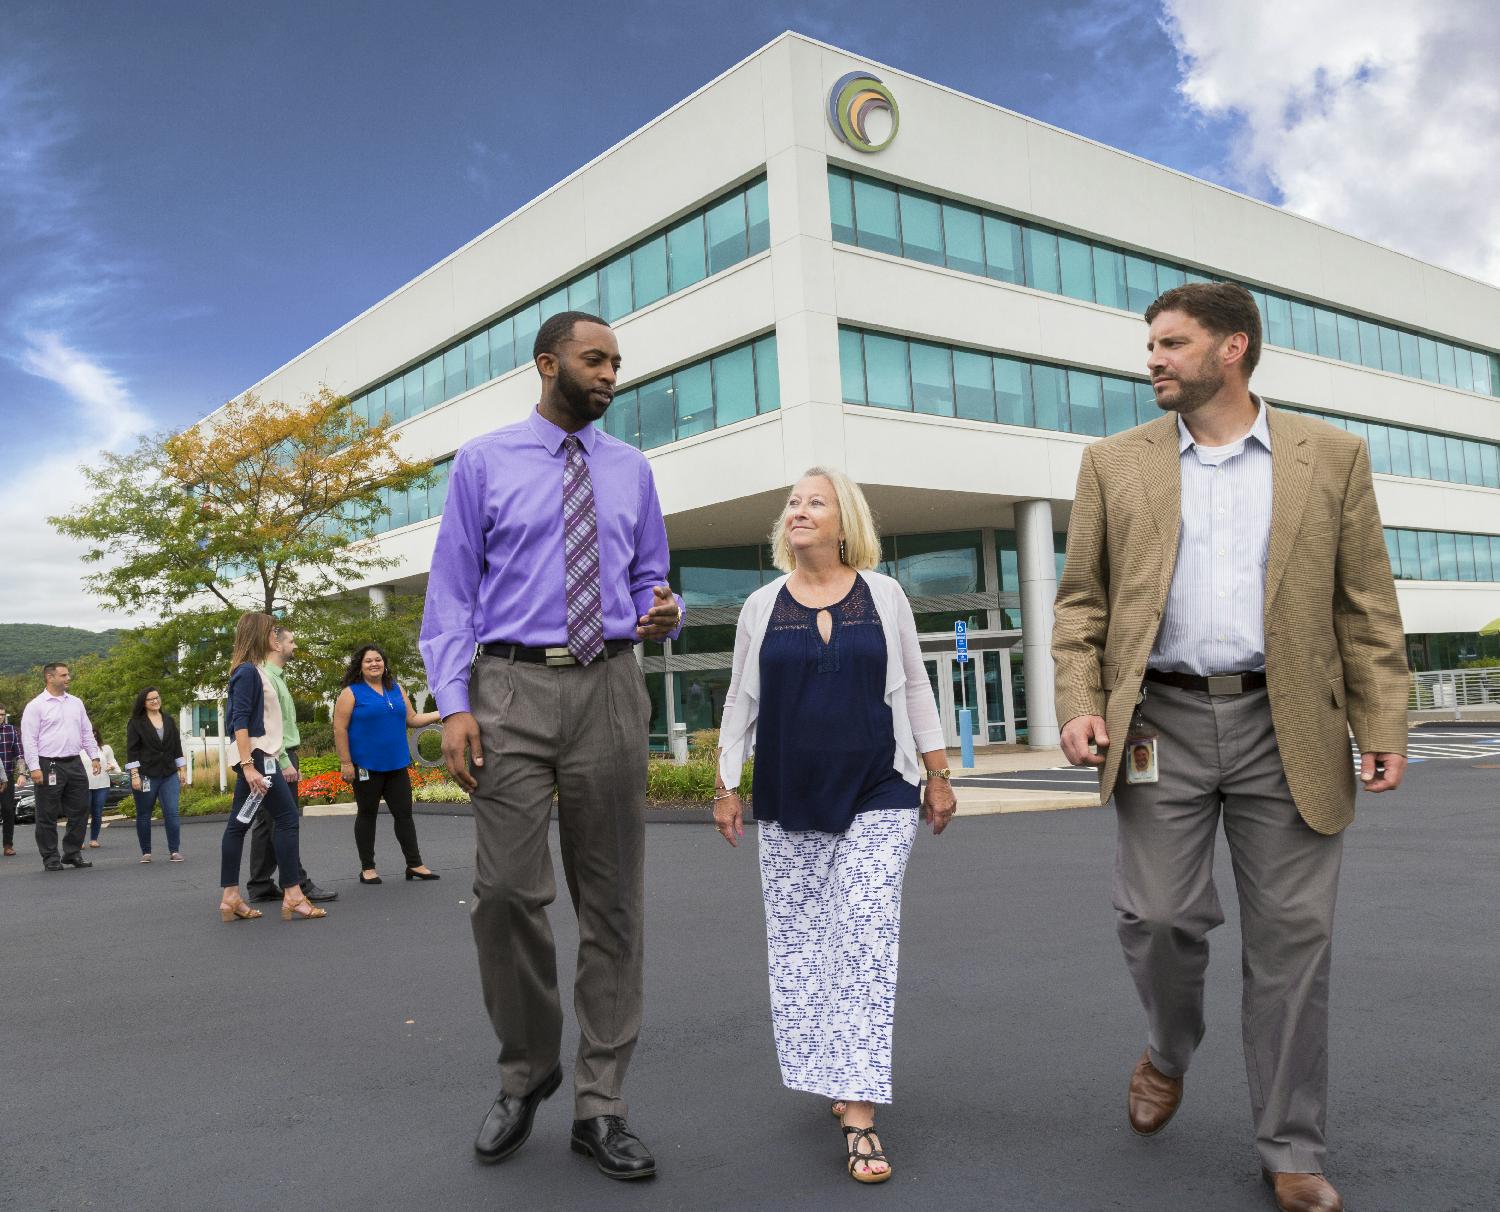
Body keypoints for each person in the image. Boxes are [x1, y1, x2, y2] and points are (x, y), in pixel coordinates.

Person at [1052, 282, 1408, 1212]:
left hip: (1285, 720)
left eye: (1171, 344)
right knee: (1160, 918)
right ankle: (1170, 1049)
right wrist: (1079, 700)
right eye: (1151, 347)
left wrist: (1383, 722)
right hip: (1156, 724)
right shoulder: (1112, 464)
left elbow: (1365, 606)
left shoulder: (1330, 457)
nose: (1153, 360)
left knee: (1295, 943)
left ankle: (1290, 1147)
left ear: (1233, 348)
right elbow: (1080, 604)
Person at [421, 310, 683, 1181]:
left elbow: (653, 574)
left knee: (612, 907)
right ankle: (527, 1068)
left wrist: (664, 605)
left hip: (610, 685)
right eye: (594, 358)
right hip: (509, 692)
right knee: (503, 893)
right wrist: (455, 702)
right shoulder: (483, 462)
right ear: (548, 364)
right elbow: (452, 594)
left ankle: (600, 1105)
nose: (610, 373)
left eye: (617, 362)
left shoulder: (633, 470)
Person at [711, 468, 956, 1184]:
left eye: (815, 502)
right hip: (791, 795)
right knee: (803, 947)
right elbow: (737, 702)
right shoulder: (761, 606)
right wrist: (725, 785)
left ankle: (859, 1113)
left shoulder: (885, 595)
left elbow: (914, 683)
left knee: (863, 934)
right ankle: (832, 1066)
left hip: (881, 787)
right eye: (792, 503)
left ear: (845, 520)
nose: (799, 511)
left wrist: (937, 774)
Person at [216, 612, 327, 923]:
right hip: (260, 758)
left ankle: (231, 896)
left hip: (257, 758)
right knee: (287, 818)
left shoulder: (251, 671)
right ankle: (293, 894)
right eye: (271, 633)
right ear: (259, 635)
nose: (276, 638)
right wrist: (250, 767)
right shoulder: (248, 673)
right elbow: (239, 722)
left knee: (239, 824)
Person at [331, 643, 441, 884]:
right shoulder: (351, 693)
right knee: (367, 814)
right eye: (368, 660)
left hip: (397, 764)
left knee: (404, 815)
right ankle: (368, 868)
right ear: (360, 666)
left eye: (378, 660)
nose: (374, 664)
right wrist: (345, 762)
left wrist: (442, 712)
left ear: (384, 663)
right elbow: (340, 728)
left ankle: (415, 864)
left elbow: (412, 719)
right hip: (365, 765)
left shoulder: (396, 689)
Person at [246, 626, 336, 904]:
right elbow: (271, 727)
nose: (295, 646)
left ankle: (260, 884)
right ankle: (297, 884)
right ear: (275, 644)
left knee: (267, 821)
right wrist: (285, 761)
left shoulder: (275, 677)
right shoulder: (267, 679)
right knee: (285, 821)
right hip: (276, 757)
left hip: (275, 756)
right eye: (291, 641)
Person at [19, 663, 101, 871]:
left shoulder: (76, 703)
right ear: (50, 677)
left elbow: (86, 731)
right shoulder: (36, 706)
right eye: (64, 675)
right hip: (48, 764)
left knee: (81, 809)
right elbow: (29, 740)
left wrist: (95, 756)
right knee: (47, 813)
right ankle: (50, 858)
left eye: (68, 674)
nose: (68, 678)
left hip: (74, 762)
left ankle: (72, 853)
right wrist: (34, 767)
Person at [124, 687, 187, 862]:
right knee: (144, 814)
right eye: (150, 699)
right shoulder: (136, 722)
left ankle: (174, 850)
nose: (154, 701)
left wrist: (182, 769)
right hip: (145, 774)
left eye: (156, 697)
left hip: (168, 773)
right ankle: (146, 852)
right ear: (143, 703)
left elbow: (176, 746)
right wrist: (134, 775)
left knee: (172, 812)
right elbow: (132, 750)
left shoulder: (169, 720)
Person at [84, 725, 121, 847]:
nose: (92, 735)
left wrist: (112, 767)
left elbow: (117, 769)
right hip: (84, 786)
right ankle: (78, 840)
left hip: (102, 785)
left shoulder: (106, 749)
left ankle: (94, 839)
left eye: (94, 732)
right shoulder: (78, 750)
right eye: (89, 733)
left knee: (97, 812)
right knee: (83, 813)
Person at [0, 703, 22, 857]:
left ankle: (8, 845)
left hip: (7, 777)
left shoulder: (12, 730)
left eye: (2, 714)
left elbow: (19, 754)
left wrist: (22, 774)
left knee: (8, 810)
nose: (0, 717)